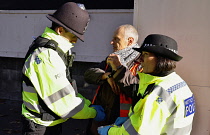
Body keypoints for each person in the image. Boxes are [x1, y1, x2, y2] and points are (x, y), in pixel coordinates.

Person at [21, 2, 105, 135]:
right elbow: (63, 102)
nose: (75, 41)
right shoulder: (47, 56)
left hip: (49, 121)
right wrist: (92, 112)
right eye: (73, 36)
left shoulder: (56, 50)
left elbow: (65, 88)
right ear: (60, 30)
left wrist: (87, 103)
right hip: (40, 127)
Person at [98, 34, 196, 135]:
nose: (140, 60)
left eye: (145, 54)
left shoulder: (156, 95)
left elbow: (138, 133)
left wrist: (110, 131)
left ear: (161, 58)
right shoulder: (177, 82)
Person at [84, 24, 141, 135]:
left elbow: (136, 90)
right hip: (101, 120)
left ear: (130, 41)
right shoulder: (112, 58)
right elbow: (88, 74)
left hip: (122, 125)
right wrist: (106, 76)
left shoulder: (140, 63)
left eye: (116, 39)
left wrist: (119, 69)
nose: (111, 42)